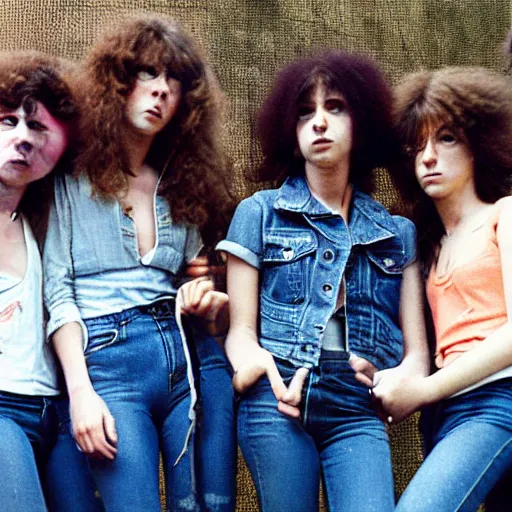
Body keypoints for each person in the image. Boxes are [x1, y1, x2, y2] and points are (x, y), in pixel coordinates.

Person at [216, 51, 429, 512]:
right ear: (289, 131)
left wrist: (394, 382)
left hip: (356, 408)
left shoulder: (399, 234)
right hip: (279, 399)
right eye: (305, 112)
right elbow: (240, 334)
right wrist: (259, 368)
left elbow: (418, 357)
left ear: (362, 122)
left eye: (335, 107)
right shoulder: (258, 213)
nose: (319, 122)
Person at [43, 14, 235, 512]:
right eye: (148, 73)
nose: (161, 91)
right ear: (117, 81)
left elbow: (204, 294)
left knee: (209, 506)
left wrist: (206, 300)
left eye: (175, 81)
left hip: (187, 359)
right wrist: (80, 391)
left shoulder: (183, 183)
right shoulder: (71, 178)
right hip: (108, 361)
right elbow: (57, 291)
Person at [375, 66, 512, 511]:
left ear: (478, 144)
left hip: (499, 399)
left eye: (446, 138)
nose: (428, 156)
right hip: (444, 414)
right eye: (417, 145)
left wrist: (426, 390)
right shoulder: (423, 242)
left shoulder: (505, 214)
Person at [0, 51, 79, 512]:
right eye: (7, 121)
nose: (22, 139)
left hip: (61, 414)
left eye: (38, 126)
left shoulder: (49, 219)